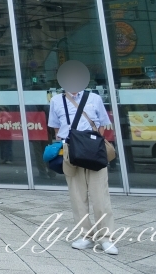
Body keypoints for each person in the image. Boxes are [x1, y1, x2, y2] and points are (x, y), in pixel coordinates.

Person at [48, 82, 118, 255]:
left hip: (94, 150)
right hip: (71, 151)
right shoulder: (56, 101)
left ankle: (106, 237)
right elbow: (57, 129)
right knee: (77, 196)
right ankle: (85, 235)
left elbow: (102, 124)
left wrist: (91, 142)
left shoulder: (94, 98)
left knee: (100, 196)